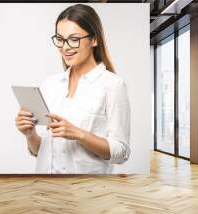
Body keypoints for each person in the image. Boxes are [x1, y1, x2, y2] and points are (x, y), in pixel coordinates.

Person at [15, 4, 131, 174]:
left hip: (86, 193)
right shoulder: (49, 84)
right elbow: (39, 152)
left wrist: (79, 134)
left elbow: (122, 153)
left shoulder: (113, 85)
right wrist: (30, 134)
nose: (65, 47)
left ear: (94, 39)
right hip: (45, 191)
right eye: (60, 39)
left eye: (74, 39)